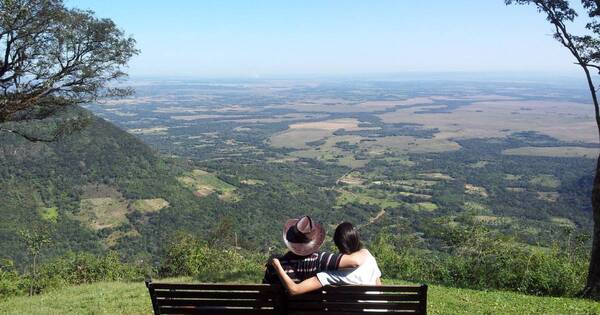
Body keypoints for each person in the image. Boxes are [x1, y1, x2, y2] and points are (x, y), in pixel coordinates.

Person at [271, 222, 381, 296]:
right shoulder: (368, 257)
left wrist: (276, 265)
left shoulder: (330, 272)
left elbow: (295, 289)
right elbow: (379, 287)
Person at [263, 216, 366, 284]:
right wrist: (365, 252)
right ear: (313, 240)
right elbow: (355, 262)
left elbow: (265, 295)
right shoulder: (321, 260)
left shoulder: (275, 266)